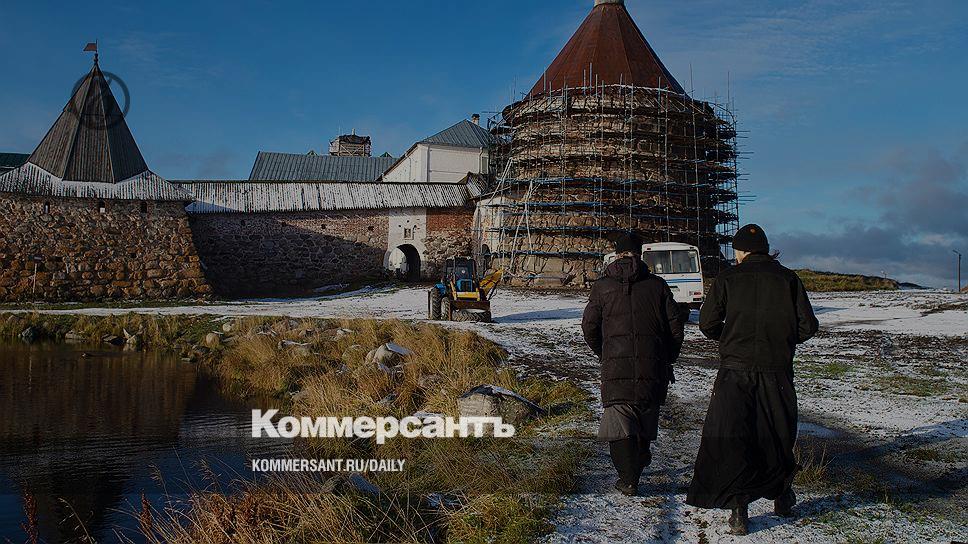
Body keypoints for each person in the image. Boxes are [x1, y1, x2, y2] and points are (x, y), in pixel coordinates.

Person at [686, 224, 819, 535]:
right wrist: (781, 341)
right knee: (777, 434)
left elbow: (707, 323)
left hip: (735, 371)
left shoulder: (728, 278)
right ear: (766, 250)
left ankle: (738, 509)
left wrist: (731, 336)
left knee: (736, 436)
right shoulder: (788, 279)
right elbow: (808, 326)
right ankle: (782, 496)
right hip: (776, 370)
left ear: (740, 251)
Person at [582, 232, 685, 496]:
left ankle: (628, 478)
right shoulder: (657, 286)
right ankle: (638, 462)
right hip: (652, 366)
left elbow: (589, 327)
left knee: (619, 422)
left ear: (617, 255)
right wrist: (667, 358)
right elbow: (675, 328)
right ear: (640, 254)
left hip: (615, 367)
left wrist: (604, 353)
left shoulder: (602, 287)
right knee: (645, 418)